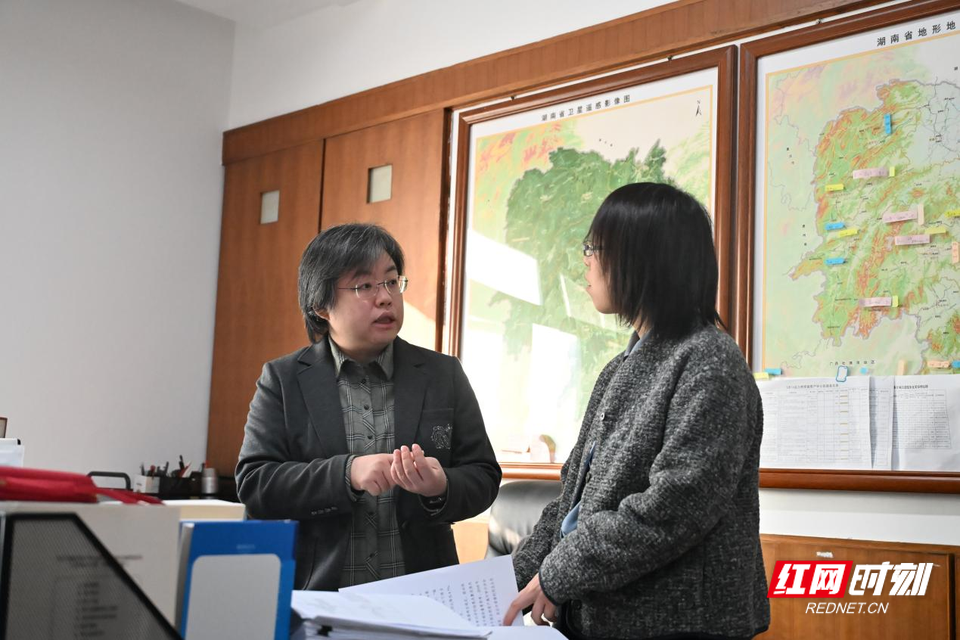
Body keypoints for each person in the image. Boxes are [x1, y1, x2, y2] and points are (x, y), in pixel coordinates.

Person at [504, 183, 769, 639]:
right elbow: (571, 499)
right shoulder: (619, 368)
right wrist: (507, 583)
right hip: (602, 618)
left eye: (595, 247)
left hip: (680, 624)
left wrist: (558, 573)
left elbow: (674, 508)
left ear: (643, 259)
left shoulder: (710, 361)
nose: (586, 260)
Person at [236, 223, 501, 590]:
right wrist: (347, 473)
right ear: (321, 306)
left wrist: (441, 485)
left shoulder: (443, 374)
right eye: (365, 286)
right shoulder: (283, 380)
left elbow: (483, 475)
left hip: (423, 597)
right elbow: (256, 482)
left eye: (392, 282)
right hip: (321, 596)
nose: (385, 297)